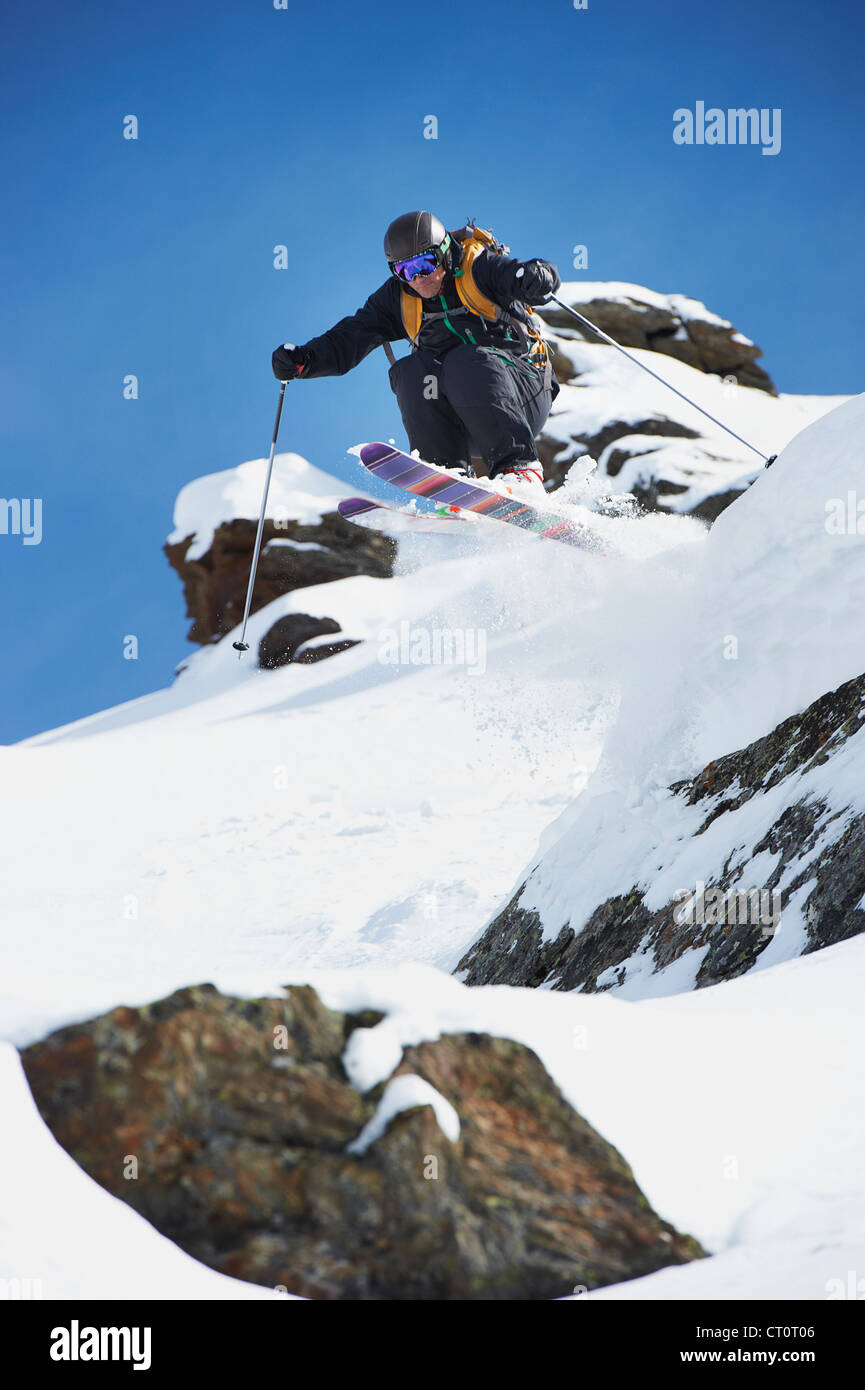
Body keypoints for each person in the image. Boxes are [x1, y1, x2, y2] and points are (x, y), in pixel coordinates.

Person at [272, 211, 561, 497]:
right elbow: (351, 336)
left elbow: (529, 276)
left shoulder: (480, 269)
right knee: (411, 372)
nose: (418, 278)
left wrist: (539, 276)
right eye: (405, 271)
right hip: (466, 419)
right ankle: (450, 485)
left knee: (464, 360)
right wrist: (306, 359)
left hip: (524, 397)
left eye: (425, 263)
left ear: (446, 253)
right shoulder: (398, 297)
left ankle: (520, 471)